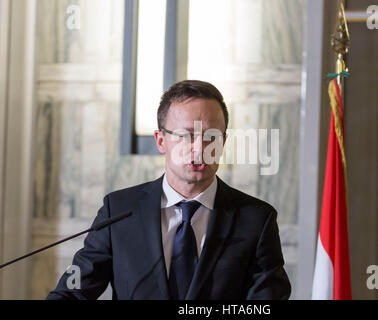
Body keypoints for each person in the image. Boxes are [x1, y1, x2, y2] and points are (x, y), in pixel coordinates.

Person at [46, 80, 291, 300]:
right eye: (187, 135)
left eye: (211, 137)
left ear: (223, 142)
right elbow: (73, 290)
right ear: (161, 141)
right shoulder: (119, 210)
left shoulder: (256, 219)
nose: (199, 149)